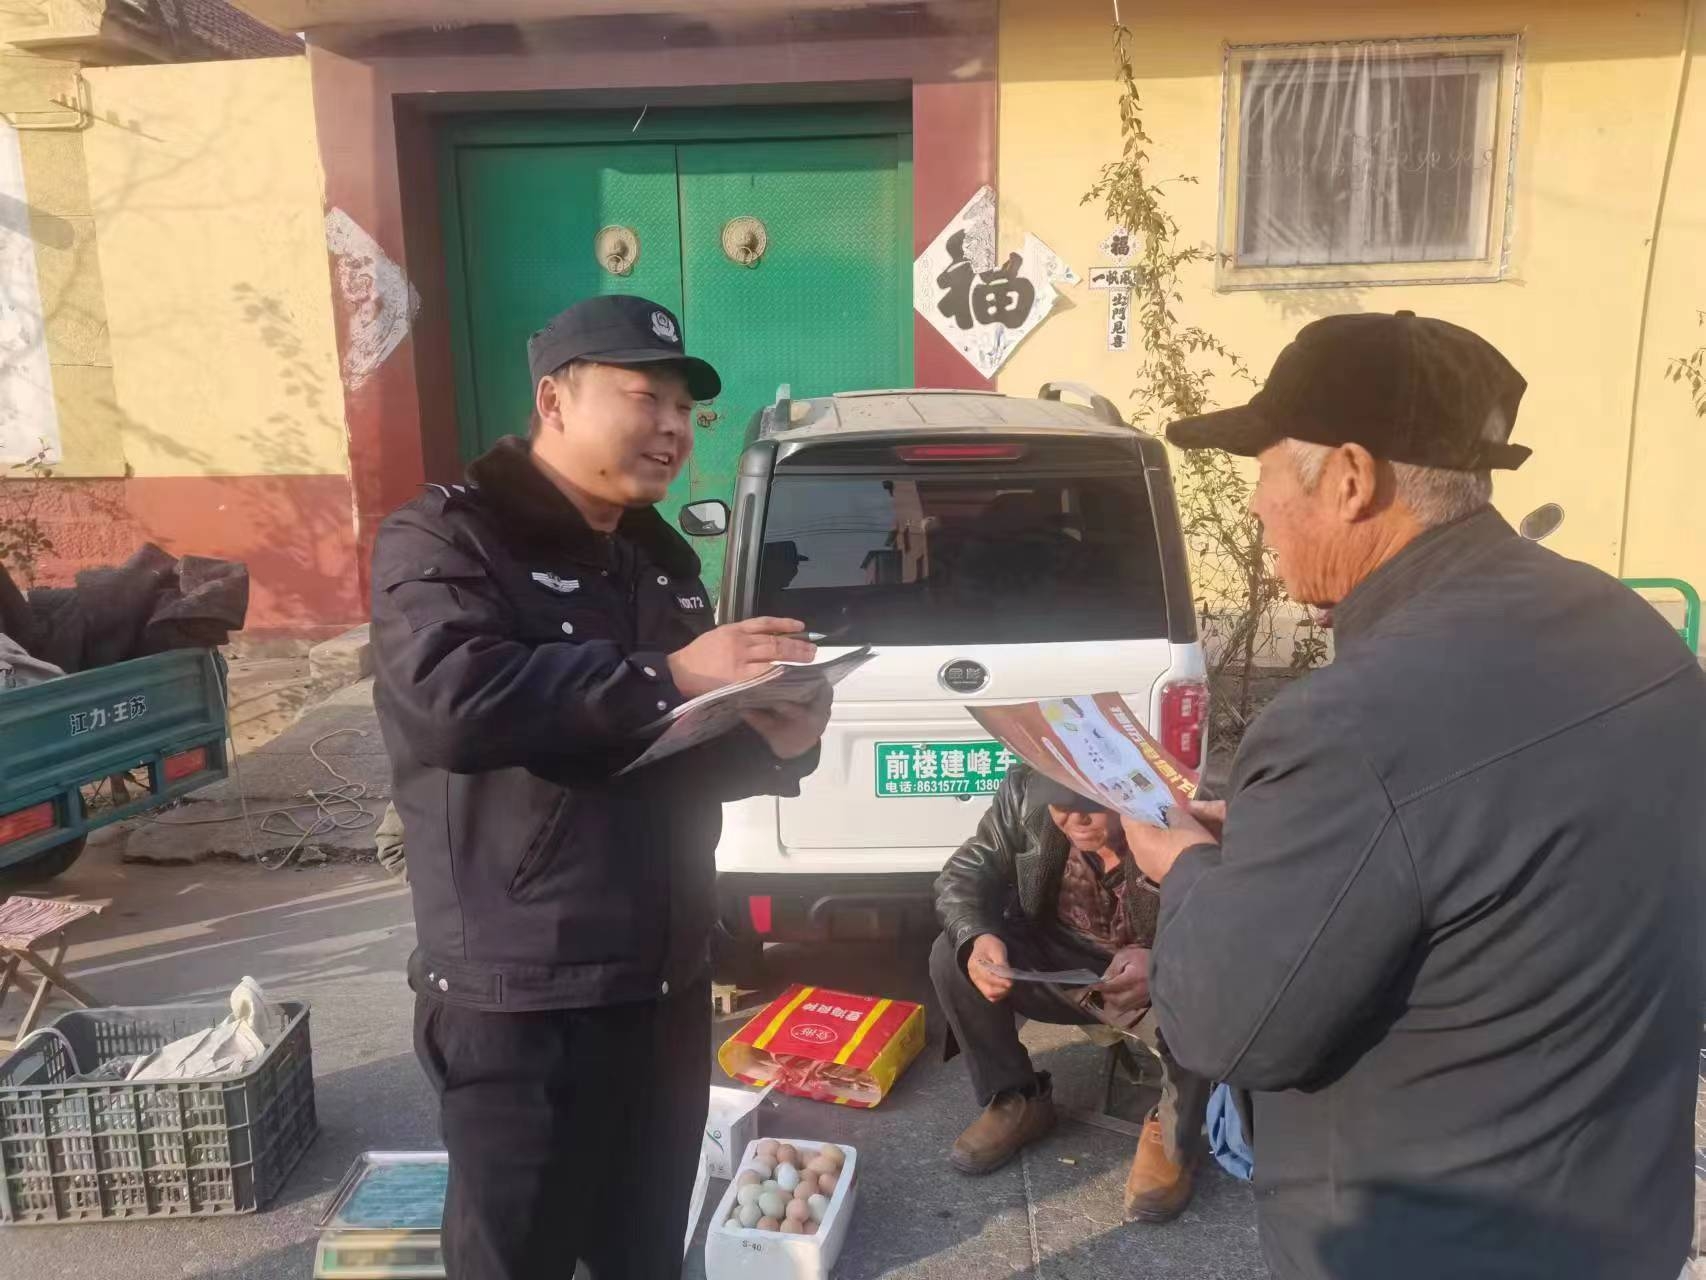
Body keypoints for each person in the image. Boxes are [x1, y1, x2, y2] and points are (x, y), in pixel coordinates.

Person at [1122, 310, 1706, 1279]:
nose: (1258, 510)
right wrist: (1282, 835)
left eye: (1264, 473)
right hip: (1619, 1218)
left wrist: (1184, 864)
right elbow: (1476, 843)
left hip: (1428, 1242)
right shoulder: (1631, 630)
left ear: (1351, 479)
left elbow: (1228, 1024)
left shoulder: (1349, 723)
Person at [370, 294, 830, 1280]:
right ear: (554, 400)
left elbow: (664, 748)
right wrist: (675, 672)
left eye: (685, 408)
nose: (672, 426)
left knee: (642, 1253)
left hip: (661, 983)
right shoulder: (451, 537)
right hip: (520, 994)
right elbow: (452, 704)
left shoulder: (656, 562)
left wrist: (776, 743)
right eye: (644, 397)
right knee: (516, 1260)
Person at [931, 766, 1210, 1221]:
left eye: (1091, 808)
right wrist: (977, 936)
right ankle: (1018, 1098)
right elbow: (964, 873)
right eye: (1060, 807)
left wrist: (1161, 960)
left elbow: (1229, 917)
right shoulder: (1023, 795)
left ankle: (1174, 1134)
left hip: (1150, 981)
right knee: (952, 955)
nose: (1075, 820)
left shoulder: (1175, 811)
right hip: (1057, 961)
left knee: (1202, 996)